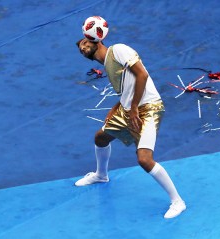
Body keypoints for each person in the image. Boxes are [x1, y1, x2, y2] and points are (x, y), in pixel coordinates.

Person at [74, 37, 186, 219]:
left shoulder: (118, 50)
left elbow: (142, 75)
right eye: (80, 47)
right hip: (128, 109)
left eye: (85, 42)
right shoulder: (108, 64)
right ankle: (101, 175)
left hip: (148, 107)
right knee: (100, 138)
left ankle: (177, 201)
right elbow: (127, 89)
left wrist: (134, 108)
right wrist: (116, 108)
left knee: (144, 159)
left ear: (97, 39)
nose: (83, 47)